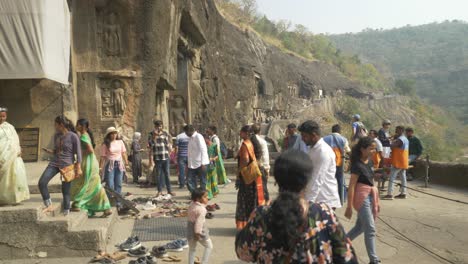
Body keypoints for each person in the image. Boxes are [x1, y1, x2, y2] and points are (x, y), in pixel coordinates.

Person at [236, 150, 358, 263]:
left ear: (277, 180)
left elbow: (243, 252)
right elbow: (346, 256)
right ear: (306, 181)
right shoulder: (323, 214)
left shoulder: (262, 214)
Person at [345, 137, 381, 264]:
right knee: (370, 229)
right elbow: (352, 186)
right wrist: (349, 206)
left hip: (371, 195)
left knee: (360, 227)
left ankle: (340, 244)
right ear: (362, 149)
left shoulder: (369, 162)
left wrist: (376, 175)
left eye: (374, 148)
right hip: (361, 197)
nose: (373, 151)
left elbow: (369, 177)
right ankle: (374, 260)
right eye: (371, 148)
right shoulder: (357, 165)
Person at [39, 116, 82, 215]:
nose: (54, 126)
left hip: (67, 166)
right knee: (42, 182)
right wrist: (49, 151)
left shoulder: (73, 136)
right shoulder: (56, 136)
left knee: (65, 191)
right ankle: (48, 205)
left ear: (61, 125)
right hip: (54, 163)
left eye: (55, 124)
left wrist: (78, 167)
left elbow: (78, 153)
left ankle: (66, 212)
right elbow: (57, 151)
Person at [71, 119, 112, 217]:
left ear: (82, 126)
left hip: (88, 163)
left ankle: (79, 203)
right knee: (94, 185)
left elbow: (90, 150)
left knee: (85, 183)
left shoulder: (83, 136)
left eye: (78, 125)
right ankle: (105, 207)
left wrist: (79, 153)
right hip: (91, 162)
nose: (76, 126)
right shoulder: (86, 135)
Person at [298, 120, 341, 209]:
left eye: (304, 136)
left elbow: (317, 179)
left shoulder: (323, 152)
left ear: (313, 135)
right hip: (315, 198)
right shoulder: (312, 149)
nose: (302, 139)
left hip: (325, 201)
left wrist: (308, 202)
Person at [235, 125, 265, 230]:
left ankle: (244, 224)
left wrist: (239, 172)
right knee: (253, 200)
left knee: (245, 200)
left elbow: (245, 160)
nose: (240, 134)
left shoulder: (245, 144)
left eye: (241, 132)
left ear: (245, 133)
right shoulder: (253, 142)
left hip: (246, 177)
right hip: (253, 176)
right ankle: (254, 223)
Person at [0, 107, 30, 205]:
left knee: (16, 176)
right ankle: (3, 199)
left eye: (3, 116)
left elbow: (15, 138)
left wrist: (18, 148)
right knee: (4, 179)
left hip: (13, 156)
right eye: (0, 116)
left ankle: (16, 198)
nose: (1, 118)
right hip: (2, 156)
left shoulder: (10, 127)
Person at [100, 127, 128, 209]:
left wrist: (126, 163)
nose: (114, 135)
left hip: (119, 164)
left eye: (115, 133)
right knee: (110, 185)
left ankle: (118, 202)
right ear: (109, 135)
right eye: (112, 133)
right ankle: (109, 202)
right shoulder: (105, 144)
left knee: (118, 184)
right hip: (110, 165)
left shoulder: (120, 142)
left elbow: (124, 153)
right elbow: (102, 157)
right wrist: (100, 168)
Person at [323, 124, 351, 206]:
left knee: (328, 180)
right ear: (339, 131)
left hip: (328, 163)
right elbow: (348, 151)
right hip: (339, 163)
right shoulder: (343, 139)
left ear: (332, 130)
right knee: (340, 180)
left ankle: (328, 199)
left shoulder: (324, 139)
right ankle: (342, 198)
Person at [148, 120, 174, 197]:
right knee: (158, 175)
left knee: (167, 174)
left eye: (160, 126)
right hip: (157, 157)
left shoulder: (165, 133)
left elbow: (168, 144)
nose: (159, 128)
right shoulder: (151, 134)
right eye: (157, 126)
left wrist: (169, 152)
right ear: (155, 126)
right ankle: (159, 191)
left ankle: (169, 191)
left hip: (165, 156)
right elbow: (150, 145)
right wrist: (154, 137)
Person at [187, 188, 213, 264]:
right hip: (199, 231)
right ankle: (204, 262)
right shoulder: (202, 209)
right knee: (209, 246)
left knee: (192, 249)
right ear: (198, 199)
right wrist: (197, 233)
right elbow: (199, 223)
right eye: (205, 197)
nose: (207, 198)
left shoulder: (192, 204)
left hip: (190, 230)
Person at [384, 126, 409, 200]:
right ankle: (403, 193)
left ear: (401, 130)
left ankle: (389, 194)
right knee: (403, 177)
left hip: (398, 161)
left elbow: (392, 146)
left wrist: (391, 140)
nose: (396, 131)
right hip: (403, 161)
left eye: (397, 130)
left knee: (392, 177)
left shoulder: (400, 139)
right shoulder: (405, 139)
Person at [186, 125, 209, 193]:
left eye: (186, 132)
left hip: (200, 163)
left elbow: (203, 149)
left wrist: (203, 163)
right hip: (192, 164)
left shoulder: (198, 136)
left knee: (202, 181)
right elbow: (190, 152)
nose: (186, 134)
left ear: (189, 131)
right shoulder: (190, 138)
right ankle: (195, 195)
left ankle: (201, 196)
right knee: (189, 181)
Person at [251, 124, 271, 204]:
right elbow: (265, 156)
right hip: (260, 166)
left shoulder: (248, 141)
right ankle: (263, 204)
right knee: (262, 187)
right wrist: (267, 168)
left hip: (250, 168)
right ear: (260, 131)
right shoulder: (262, 141)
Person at [203, 134, 219, 200]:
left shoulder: (214, 145)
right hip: (206, 164)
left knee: (213, 178)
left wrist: (213, 159)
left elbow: (217, 155)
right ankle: (208, 193)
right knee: (207, 179)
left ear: (207, 139)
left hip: (212, 163)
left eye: (204, 139)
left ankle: (215, 192)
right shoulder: (204, 146)